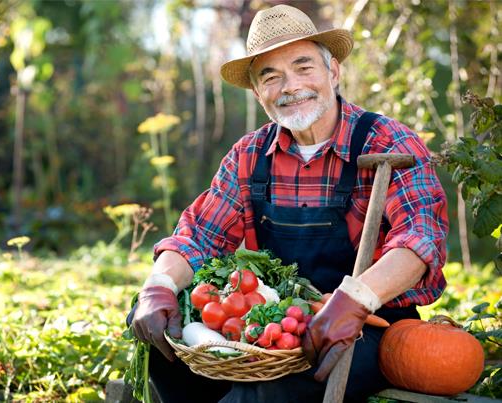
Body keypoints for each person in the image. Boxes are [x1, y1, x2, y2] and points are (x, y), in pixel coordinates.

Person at [130, 4, 448, 403]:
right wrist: (157, 287)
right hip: (279, 322)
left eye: (303, 67)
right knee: (160, 332)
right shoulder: (250, 154)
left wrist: (357, 298)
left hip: (369, 323)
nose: (290, 86)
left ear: (333, 72)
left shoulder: (386, 142)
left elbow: (420, 239)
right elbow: (199, 236)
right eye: (271, 76)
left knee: (268, 394)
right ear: (258, 92)